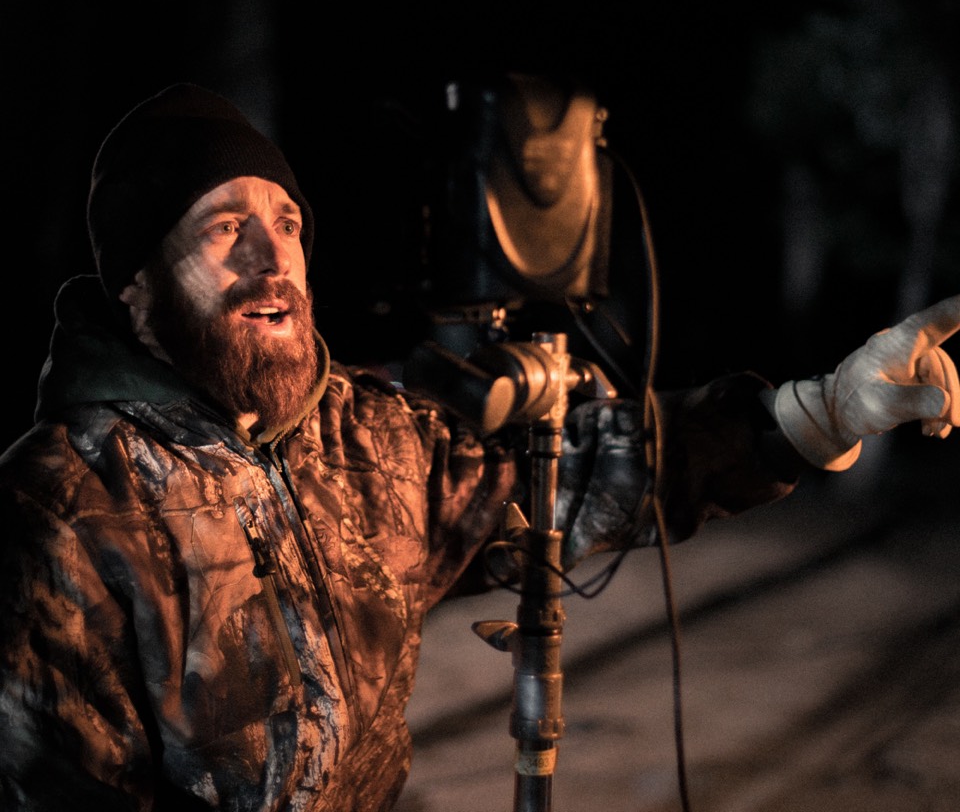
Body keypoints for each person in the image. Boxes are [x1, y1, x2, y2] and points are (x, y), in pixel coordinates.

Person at [1, 83, 958, 812]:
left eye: (285, 222)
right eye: (223, 228)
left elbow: (575, 480)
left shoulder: (361, 436)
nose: (272, 257)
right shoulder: (63, 508)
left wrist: (819, 413)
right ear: (135, 288)